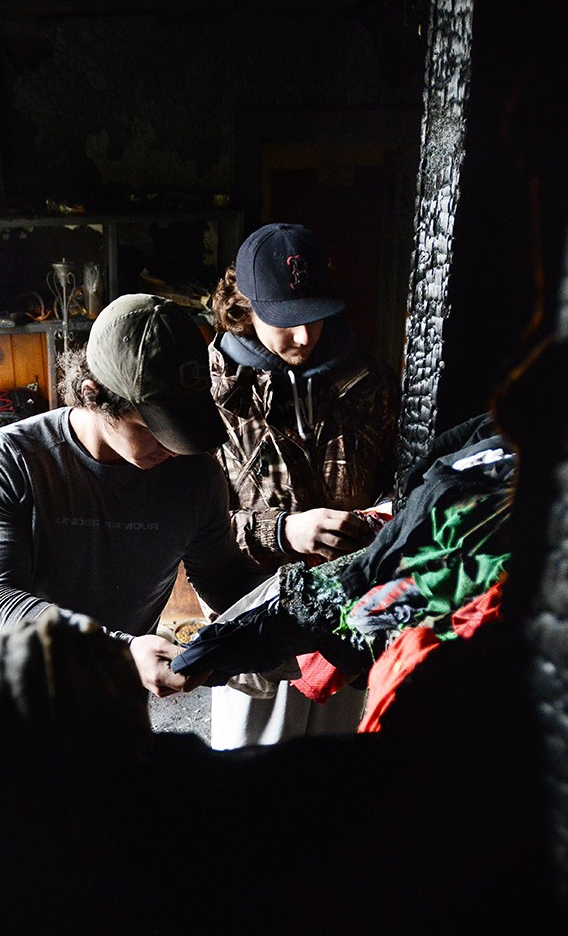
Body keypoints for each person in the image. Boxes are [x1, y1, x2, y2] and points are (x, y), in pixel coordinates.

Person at [0, 293, 268, 698]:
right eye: (154, 428)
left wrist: (295, 605)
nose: (174, 448)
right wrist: (116, 649)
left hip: (119, 691)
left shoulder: (196, 475)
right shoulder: (12, 459)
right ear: (93, 395)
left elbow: (220, 575)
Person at [207, 222, 398, 748]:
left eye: (315, 316)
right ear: (244, 308)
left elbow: (394, 476)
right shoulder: (213, 396)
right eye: (285, 321)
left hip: (347, 606)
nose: (303, 336)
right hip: (256, 606)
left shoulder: (368, 382)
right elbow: (198, 534)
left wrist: (381, 515)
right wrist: (284, 532)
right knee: (250, 775)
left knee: (329, 774)